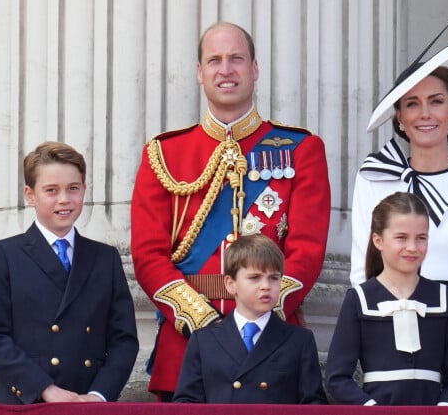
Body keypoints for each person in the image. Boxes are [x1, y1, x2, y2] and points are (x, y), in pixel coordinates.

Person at [131, 22, 331, 401]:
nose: (225, 69)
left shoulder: (301, 149)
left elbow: (306, 251)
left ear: (254, 69)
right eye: (215, 60)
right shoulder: (164, 154)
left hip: (273, 347)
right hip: (187, 346)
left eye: (236, 59)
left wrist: (259, 314)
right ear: (200, 72)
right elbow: (148, 256)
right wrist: (204, 323)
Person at [349, 37, 448, 404]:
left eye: (436, 101)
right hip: (393, 335)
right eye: (412, 104)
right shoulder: (375, 179)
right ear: (400, 119)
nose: (425, 113)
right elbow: (361, 272)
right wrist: (379, 342)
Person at [0, 141, 139, 404]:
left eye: (73, 188)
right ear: (30, 195)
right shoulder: (4, 255)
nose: (64, 199)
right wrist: (45, 389)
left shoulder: (105, 258)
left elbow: (124, 339)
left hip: (88, 402)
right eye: (51, 190)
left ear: (84, 191)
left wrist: (99, 395)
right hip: (28, 403)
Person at [327, 192, 448, 405]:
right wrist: (371, 408)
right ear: (378, 240)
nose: (412, 247)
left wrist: (445, 408)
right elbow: (337, 378)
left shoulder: (445, 298)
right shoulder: (359, 299)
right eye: (401, 237)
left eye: (421, 238)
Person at [173, 234, 327, 404]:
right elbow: (187, 405)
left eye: (274, 278)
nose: (266, 286)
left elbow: (313, 404)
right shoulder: (204, 340)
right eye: (254, 278)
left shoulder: (299, 340)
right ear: (230, 284)